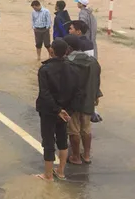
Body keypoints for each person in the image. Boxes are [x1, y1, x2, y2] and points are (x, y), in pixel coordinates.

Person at [35, 39, 77, 181]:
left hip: (49, 111)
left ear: (51, 51)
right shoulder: (73, 68)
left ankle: (47, 175)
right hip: (65, 111)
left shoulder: (45, 69)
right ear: (66, 51)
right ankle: (60, 171)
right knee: (62, 140)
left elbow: (45, 93)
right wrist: (68, 111)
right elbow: (77, 92)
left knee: (48, 141)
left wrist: (57, 109)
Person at [63, 35, 102, 165]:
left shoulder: (67, 63)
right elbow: (97, 81)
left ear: (68, 48)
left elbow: (65, 85)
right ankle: (86, 155)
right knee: (86, 128)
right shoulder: (93, 62)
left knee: (73, 129)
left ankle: (75, 156)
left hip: (73, 103)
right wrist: (96, 96)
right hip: (88, 101)